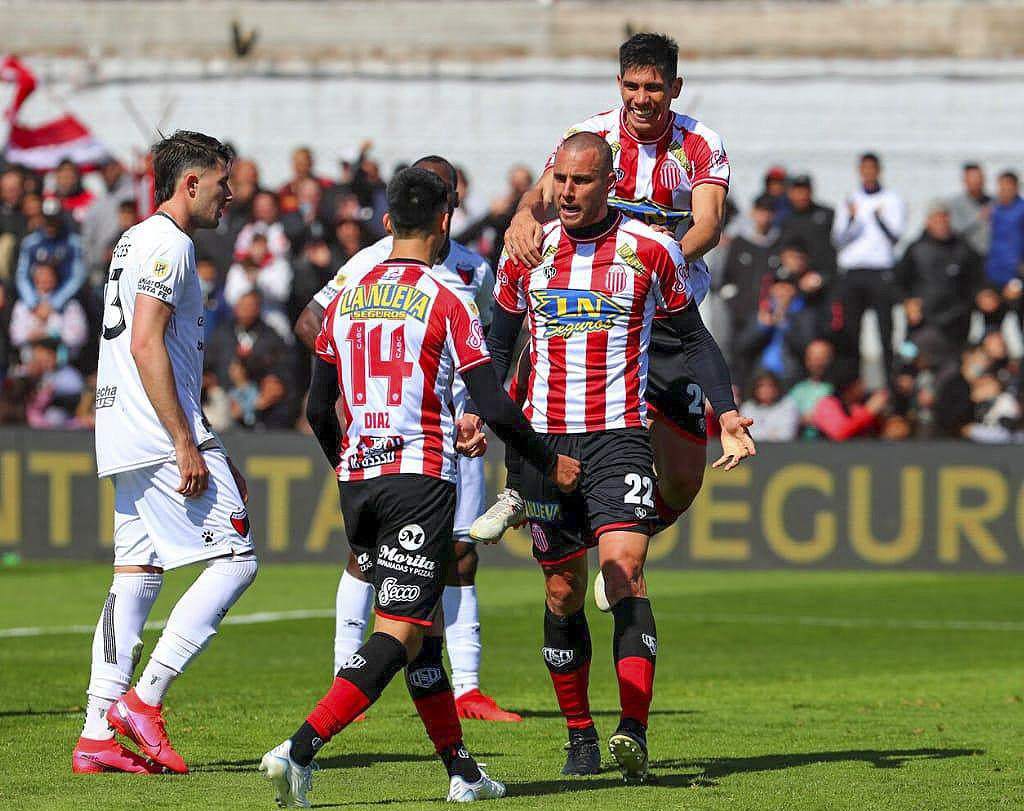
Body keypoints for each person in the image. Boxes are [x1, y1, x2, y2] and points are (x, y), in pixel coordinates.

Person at [259, 167, 580, 806]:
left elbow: (319, 408)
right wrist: (550, 460)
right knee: (402, 631)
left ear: (387, 224)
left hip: (359, 479)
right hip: (418, 480)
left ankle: (462, 772)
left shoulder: (348, 295)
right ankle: (298, 749)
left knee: (425, 633)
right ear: (444, 222)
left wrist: (346, 461)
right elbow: (492, 401)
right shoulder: (447, 296)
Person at [486, 133, 744, 782]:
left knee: (626, 571)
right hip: (546, 446)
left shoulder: (650, 250)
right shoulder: (528, 249)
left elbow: (694, 337)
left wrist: (729, 413)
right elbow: (498, 340)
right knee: (561, 590)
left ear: (609, 183)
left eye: (581, 181)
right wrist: (476, 412)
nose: (567, 193)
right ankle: (579, 733)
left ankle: (632, 728)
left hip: (619, 439)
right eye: (561, 182)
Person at [476, 31, 754, 548]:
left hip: (669, 312)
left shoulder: (699, 144)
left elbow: (708, 225)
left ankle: (634, 526)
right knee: (532, 363)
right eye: (632, 86)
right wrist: (519, 219)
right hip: (593, 303)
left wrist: (654, 261)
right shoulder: (590, 135)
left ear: (675, 87)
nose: (641, 99)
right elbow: (540, 197)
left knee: (683, 478)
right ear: (619, 84)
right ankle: (521, 488)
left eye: (653, 87)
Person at [295, 156, 521, 723]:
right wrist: (354, 388)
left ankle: (467, 692)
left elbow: (491, 343)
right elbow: (311, 321)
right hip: (392, 430)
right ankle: (347, 674)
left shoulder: (473, 269)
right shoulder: (373, 262)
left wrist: (477, 412)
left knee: (461, 556)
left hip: (455, 433)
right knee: (368, 560)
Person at [73, 131, 257, 775]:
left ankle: (98, 729)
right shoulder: (168, 244)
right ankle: (143, 700)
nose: (229, 193)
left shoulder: (134, 238)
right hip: (154, 432)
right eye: (221, 181)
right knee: (236, 560)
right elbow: (148, 343)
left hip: (122, 428)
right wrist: (185, 439)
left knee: (137, 574)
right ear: (190, 183)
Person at [832, 152, 906, 377]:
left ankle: (889, 385)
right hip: (853, 271)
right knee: (852, 332)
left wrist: (879, 219)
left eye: (872, 168)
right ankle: (854, 384)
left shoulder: (892, 199)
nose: (868, 173)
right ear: (860, 171)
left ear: (878, 170)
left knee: (886, 331)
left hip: (880, 270)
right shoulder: (849, 200)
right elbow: (837, 240)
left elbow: (895, 237)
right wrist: (853, 220)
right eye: (865, 169)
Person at [896, 199, 983, 350]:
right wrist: (907, 302)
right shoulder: (915, 249)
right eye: (936, 218)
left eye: (944, 217)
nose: (941, 222)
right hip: (922, 320)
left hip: (956, 321)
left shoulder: (963, 247)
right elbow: (897, 281)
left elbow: (977, 278)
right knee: (906, 359)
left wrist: (978, 299)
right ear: (928, 221)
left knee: (952, 367)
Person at [15, 197, 87, 314]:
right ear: (42, 219)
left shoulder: (73, 243)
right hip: (34, 302)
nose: (51, 224)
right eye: (48, 220)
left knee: (74, 309)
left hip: (66, 303)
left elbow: (77, 277)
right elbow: (22, 276)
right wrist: (33, 303)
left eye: (54, 219)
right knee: (20, 310)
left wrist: (54, 303)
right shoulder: (30, 243)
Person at [779, 173, 836, 282]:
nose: (802, 195)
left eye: (805, 190)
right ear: (790, 193)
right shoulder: (785, 220)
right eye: (797, 191)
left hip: (823, 276)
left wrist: (821, 276)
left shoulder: (827, 214)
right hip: (795, 279)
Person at [948, 163, 992, 260]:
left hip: (991, 257)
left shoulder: (994, 202)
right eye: (973, 178)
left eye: (979, 177)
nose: (977, 181)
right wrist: (978, 218)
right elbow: (955, 230)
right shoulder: (955, 204)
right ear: (965, 180)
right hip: (966, 258)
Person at [740, 371, 799, 441]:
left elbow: (787, 434)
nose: (766, 390)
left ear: (777, 388)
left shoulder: (788, 405)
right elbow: (745, 434)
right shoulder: (747, 408)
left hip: (782, 449)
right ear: (755, 389)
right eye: (761, 386)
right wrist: (771, 434)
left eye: (770, 385)